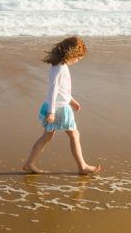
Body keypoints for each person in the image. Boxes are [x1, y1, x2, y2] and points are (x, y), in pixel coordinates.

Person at [23, 36, 102, 175]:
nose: (77, 61)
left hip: (56, 105)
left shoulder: (59, 66)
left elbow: (62, 90)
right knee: (74, 135)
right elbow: (53, 90)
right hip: (59, 109)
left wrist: (71, 100)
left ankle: (29, 163)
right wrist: (52, 112)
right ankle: (82, 167)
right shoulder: (60, 69)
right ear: (71, 54)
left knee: (47, 137)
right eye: (77, 58)